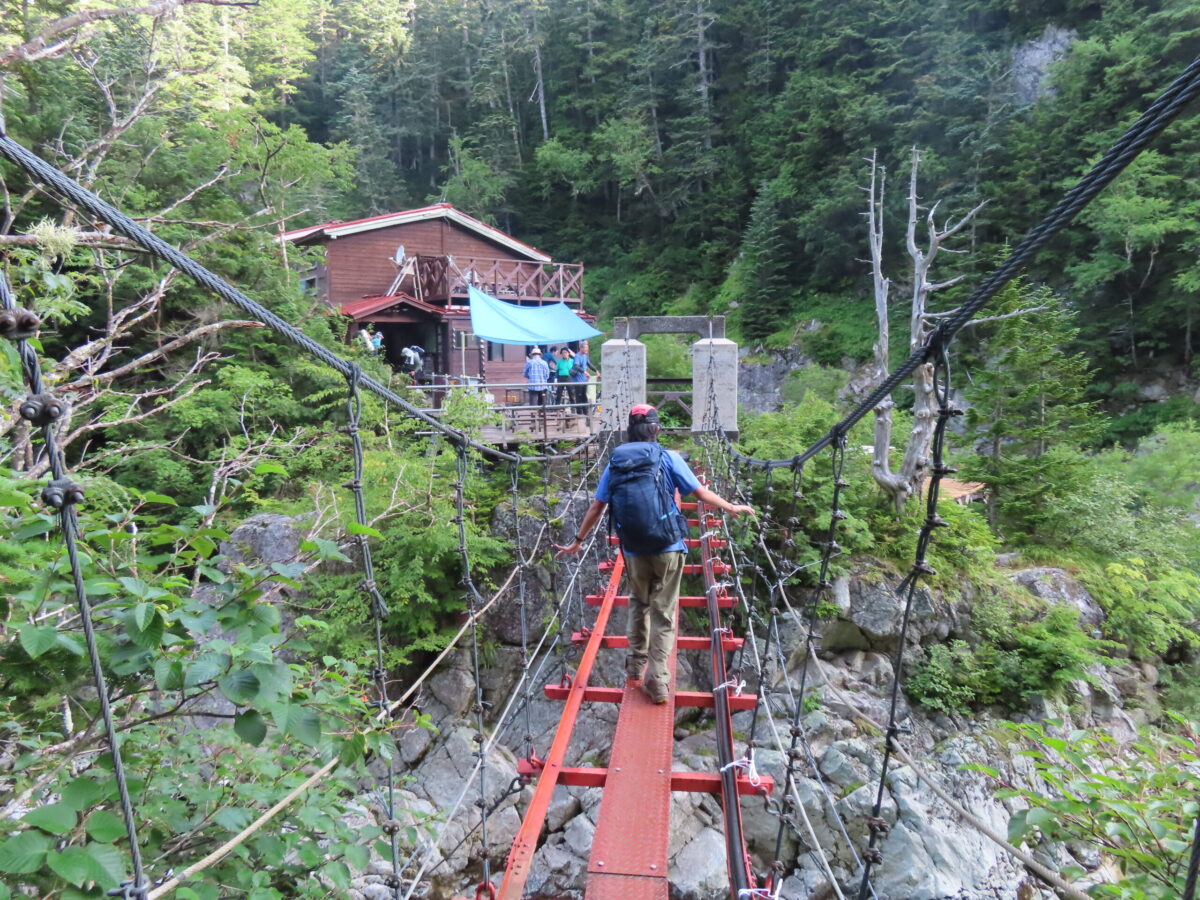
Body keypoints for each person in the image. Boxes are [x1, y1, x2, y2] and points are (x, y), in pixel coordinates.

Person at [554, 405, 755, 704]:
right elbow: (699, 493)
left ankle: (635, 666)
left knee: (639, 603)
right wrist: (730, 506)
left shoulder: (616, 462)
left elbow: (597, 506)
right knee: (664, 612)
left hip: (633, 548)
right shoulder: (669, 457)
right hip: (668, 547)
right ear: (657, 429)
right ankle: (658, 681)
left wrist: (578, 540)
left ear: (629, 431)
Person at [569, 341, 595, 414]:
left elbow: (589, 364)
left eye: (587, 347)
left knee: (584, 395)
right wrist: (584, 372)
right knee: (579, 396)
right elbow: (576, 366)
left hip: (584, 380)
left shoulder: (585, 356)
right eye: (585, 347)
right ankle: (579, 412)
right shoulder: (577, 356)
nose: (587, 349)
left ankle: (585, 412)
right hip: (578, 380)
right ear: (581, 348)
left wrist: (596, 371)